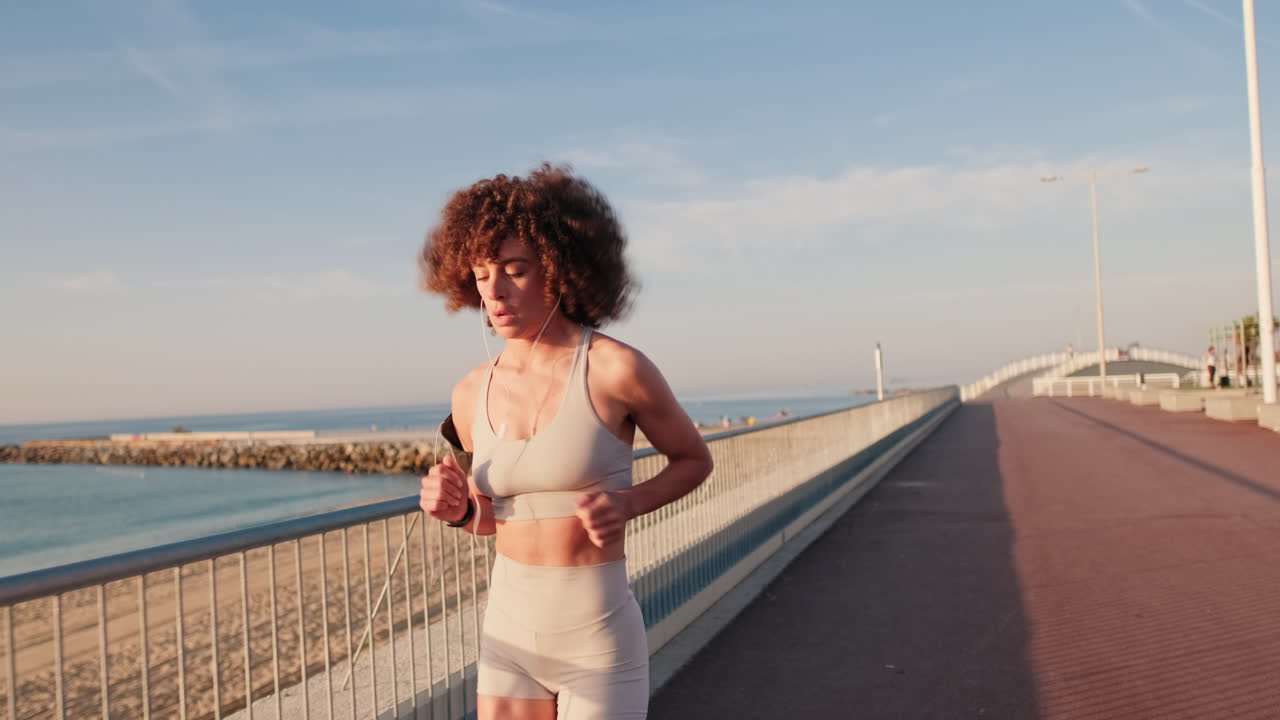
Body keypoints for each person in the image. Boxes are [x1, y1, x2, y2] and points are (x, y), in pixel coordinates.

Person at [416, 164, 714, 720]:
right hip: (509, 638)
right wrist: (457, 511)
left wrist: (628, 503)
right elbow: (494, 519)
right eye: (482, 274)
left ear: (558, 268)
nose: (494, 292)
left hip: (596, 642)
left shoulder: (615, 369)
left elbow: (694, 460)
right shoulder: (469, 392)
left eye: (515, 270)